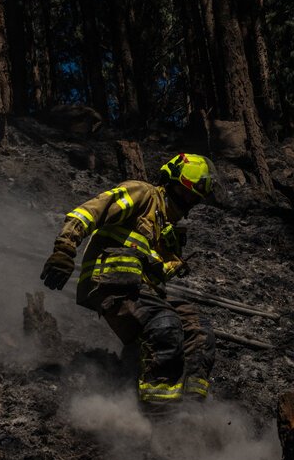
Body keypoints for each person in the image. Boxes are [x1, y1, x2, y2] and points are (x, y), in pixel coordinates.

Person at [41, 153, 218, 407]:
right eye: (186, 192)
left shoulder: (170, 228)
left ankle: (189, 410)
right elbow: (90, 212)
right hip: (111, 282)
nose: (188, 201)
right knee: (165, 325)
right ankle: (158, 411)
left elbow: (155, 272)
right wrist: (65, 248)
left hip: (144, 293)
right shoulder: (142, 194)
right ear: (170, 182)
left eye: (195, 198)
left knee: (199, 332)